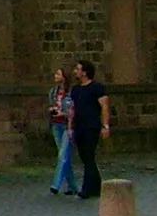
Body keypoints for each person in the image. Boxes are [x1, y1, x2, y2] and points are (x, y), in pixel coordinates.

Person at [71, 60, 111, 200]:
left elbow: (104, 106)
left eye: (78, 69)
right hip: (79, 126)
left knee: (89, 155)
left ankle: (86, 189)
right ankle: (97, 185)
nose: (75, 71)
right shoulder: (75, 90)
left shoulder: (97, 88)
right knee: (85, 157)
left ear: (85, 72)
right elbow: (72, 109)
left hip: (92, 126)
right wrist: (70, 127)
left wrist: (105, 126)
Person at [46, 68, 77, 196]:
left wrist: (63, 113)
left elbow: (74, 111)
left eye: (58, 74)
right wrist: (52, 109)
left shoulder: (72, 92)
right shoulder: (53, 91)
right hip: (56, 124)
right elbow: (53, 104)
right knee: (64, 157)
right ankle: (73, 186)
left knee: (62, 156)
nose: (55, 75)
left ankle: (55, 184)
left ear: (64, 76)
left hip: (67, 126)